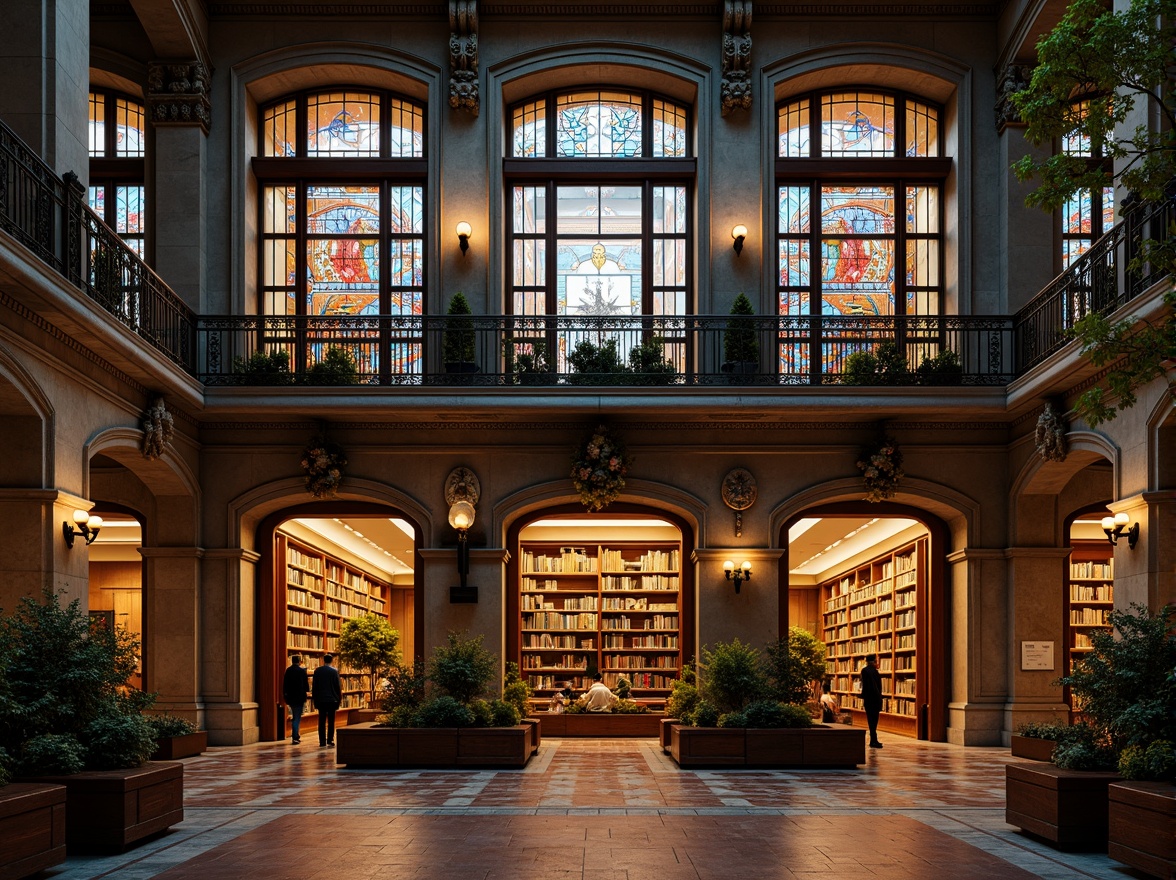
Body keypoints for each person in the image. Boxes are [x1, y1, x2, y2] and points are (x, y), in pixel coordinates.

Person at [312, 653, 343, 747]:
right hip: (332, 699)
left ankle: (322, 741)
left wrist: (315, 699)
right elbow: (338, 686)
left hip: (321, 699)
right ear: (332, 660)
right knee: (331, 721)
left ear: (323, 660)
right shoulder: (334, 671)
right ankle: (330, 739)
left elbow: (314, 686)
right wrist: (339, 698)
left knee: (321, 720)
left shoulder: (317, 671)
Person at [282, 655, 310, 744]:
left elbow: (285, 685)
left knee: (295, 715)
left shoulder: (288, 671)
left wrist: (285, 696)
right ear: (299, 661)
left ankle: (296, 735)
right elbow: (306, 685)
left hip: (290, 697)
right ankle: (295, 736)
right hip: (299, 697)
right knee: (297, 717)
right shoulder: (302, 671)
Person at [860, 653, 883, 748]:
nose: (877, 663)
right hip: (876, 698)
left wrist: (862, 696)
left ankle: (873, 739)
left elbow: (865, 686)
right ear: (873, 661)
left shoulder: (864, 671)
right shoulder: (875, 672)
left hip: (869, 699)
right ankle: (873, 739)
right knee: (874, 720)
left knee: (870, 720)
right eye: (876, 661)